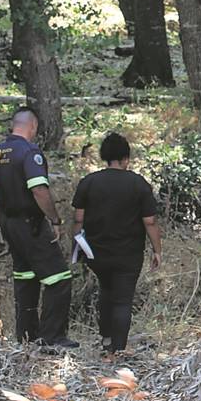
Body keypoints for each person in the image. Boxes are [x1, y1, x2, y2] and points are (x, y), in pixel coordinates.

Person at [0, 107, 77, 349]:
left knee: (26, 278)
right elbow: (39, 190)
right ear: (32, 126)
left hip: (10, 224)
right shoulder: (29, 152)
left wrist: (1, 222)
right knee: (59, 278)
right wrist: (55, 220)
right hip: (31, 224)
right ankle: (52, 338)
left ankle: (26, 337)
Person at [69, 132, 162, 356]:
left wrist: (76, 249)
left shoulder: (88, 182)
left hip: (96, 253)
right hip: (128, 254)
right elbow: (149, 222)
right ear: (126, 158)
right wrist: (157, 250)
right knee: (122, 299)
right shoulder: (138, 184)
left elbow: (78, 219)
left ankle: (106, 339)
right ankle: (117, 350)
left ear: (104, 157)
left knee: (106, 292)